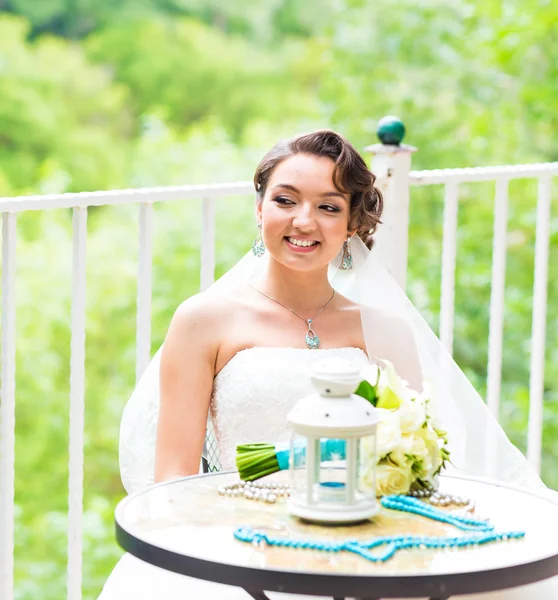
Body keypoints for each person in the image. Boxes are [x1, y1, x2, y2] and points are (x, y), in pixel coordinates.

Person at [100, 130, 557, 600]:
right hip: (241, 546)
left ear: (353, 225)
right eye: (285, 200)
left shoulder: (385, 329)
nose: (304, 221)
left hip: (363, 550)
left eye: (329, 207)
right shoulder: (203, 320)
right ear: (259, 209)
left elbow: (416, 469)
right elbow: (174, 479)